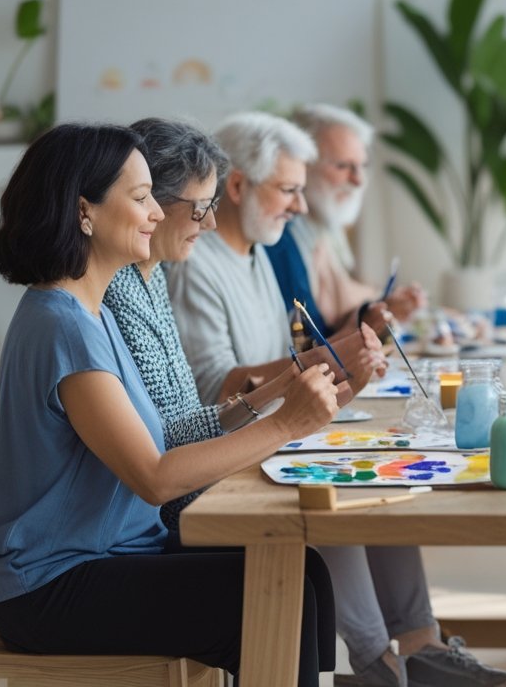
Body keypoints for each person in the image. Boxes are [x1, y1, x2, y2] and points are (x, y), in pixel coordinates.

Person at [0, 123, 340, 685]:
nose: (156, 213)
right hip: (56, 582)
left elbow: (159, 443)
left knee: (302, 571)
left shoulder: (89, 314)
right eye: (142, 197)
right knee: (267, 596)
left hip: (113, 553)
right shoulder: (64, 326)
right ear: (85, 212)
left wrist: (279, 398)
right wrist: (288, 423)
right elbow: (154, 476)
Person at [168, 112, 506, 687]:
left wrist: (338, 356)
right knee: (337, 482)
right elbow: (217, 390)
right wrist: (328, 359)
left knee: (377, 471)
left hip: (268, 433)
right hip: (229, 456)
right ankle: (380, 663)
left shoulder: (254, 254)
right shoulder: (199, 266)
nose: (300, 207)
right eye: (289, 190)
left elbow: (280, 359)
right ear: (236, 187)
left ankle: (418, 646)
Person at [105, 117, 376, 532]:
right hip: (159, 523)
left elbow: (181, 422)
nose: (210, 223)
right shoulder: (124, 290)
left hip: (182, 498)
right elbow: (164, 460)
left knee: (347, 517)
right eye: (200, 208)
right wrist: (286, 417)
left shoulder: (152, 276)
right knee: (328, 533)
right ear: (150, 205)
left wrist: (292, 381)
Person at [264, 103, 426, 336]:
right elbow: (312, 338)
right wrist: (378, 313)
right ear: (302, 166)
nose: (358, 180)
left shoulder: (325, 229)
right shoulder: (279, 239)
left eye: (362, 166)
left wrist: (386, 306)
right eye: (342, 166)